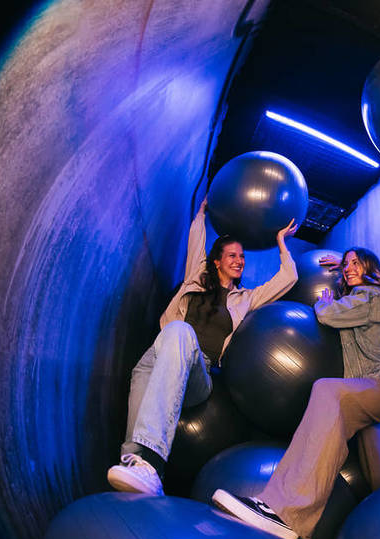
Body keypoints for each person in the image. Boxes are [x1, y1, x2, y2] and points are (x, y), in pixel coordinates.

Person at [107, 197, 299, 495]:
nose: (239, 261)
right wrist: (202, 212)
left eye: (242, 257)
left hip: (199, 371)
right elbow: (197, 236)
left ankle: (152, 464)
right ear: (217, 261)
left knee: (181, 331)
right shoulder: (195, 276)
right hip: (159, 354)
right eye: (232, 255)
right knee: (143, 370)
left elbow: (289, 278)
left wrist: (280, 242)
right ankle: (135, 466)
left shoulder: (246, 299)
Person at [211, 247, 380, 539]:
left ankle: (286, 512)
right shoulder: (359, 297)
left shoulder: (373, 296)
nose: (349, 268)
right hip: (363, 395)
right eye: (346, 263)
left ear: (370, 268)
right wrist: (343, 264)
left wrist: (325, 301)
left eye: (356, 263)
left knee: (327, 391)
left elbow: (328, 315)